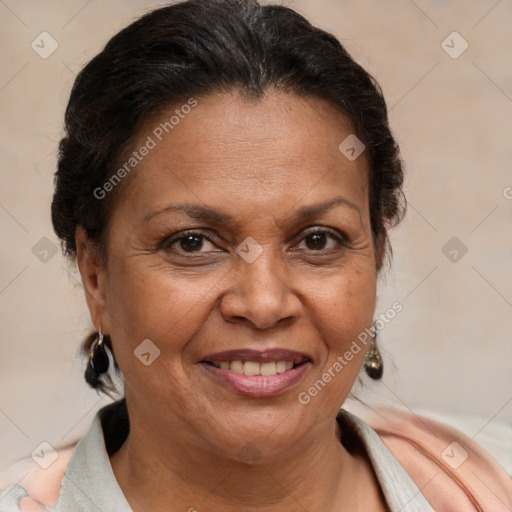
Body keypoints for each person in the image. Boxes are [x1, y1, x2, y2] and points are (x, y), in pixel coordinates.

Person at [1, 0, 511, 510]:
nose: (264, 304)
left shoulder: (490, 485)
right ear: (96, 277)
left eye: (317, 240)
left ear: (377, 254)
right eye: (192, 242)